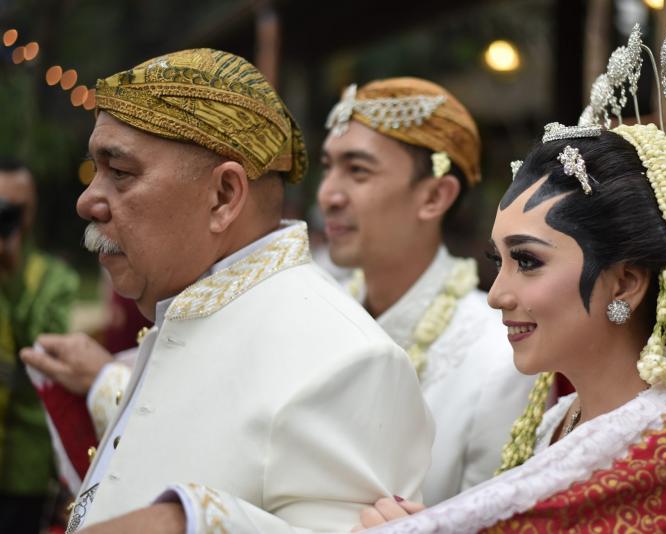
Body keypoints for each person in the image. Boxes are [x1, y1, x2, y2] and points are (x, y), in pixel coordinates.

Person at [356, 27, 666, 533]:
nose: (497, 294)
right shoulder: (574, 415)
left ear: (625, 283)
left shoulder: (657, 456)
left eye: (528, 261)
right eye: (497, 261)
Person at [21, 48, 434, 534]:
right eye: (95, 171)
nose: (88, 201)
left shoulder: (351, 364)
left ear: (224, 197)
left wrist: (184, 522)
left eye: (121, 173)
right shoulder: (186, 305)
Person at [319, 78, 533, 504]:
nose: (328, 194)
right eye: (327, 167)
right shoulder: (315, 316)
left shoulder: (500, 359)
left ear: (435, 196)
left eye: (357, 170)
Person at [0, 158, 79, 533]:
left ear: (31, 211)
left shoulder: (54, 279)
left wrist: (12, 273)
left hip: (24, 466)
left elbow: (42, 352)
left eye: (16, 209)